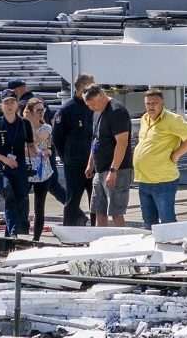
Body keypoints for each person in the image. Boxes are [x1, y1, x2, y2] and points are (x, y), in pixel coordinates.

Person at [132, 89, 187, 228]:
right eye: (148, 103)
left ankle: (173, 247)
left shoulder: (172, 119)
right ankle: (152, 248)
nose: (151, 106)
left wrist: (176, 154)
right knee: (148, 223)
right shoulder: (145, 119)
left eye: (154, 103)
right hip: (143, 180)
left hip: (163, 181)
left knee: (167, 223)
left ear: (162, 103)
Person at [0, 89, 36, 237]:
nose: (9, 105)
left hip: (20, 167)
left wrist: (44, 151)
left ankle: (11, 235)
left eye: (12, 102)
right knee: (9, 195)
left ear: (17, 104)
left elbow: (31, 146)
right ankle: (13, 233)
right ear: (1, 105)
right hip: (4, 167)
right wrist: (3, 159)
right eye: (6, 103)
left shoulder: (24, 124)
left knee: (20, 200)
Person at [9, 77, 68, 207]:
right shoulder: (41, 101)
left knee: (25, 189)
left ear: (15, 91)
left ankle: (19, 217)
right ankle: (73, 210)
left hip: (31, 152)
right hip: (46, 147)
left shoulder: (22, 105)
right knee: (52, 184)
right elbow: (48, 122)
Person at [83, 85, 134, 226]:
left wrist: (113, 171)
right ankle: (101, 241)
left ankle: (120, 243)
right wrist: (90, 162)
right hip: (100, 170)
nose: (91, 108)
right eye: (88, 105)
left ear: (101, 95)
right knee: (99, 210)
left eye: (93, 104)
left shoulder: (117, 111)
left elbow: (122, 143)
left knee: (116, 212)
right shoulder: (97, 111)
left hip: (117, 169)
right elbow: (96, 139)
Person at [52, 73, 96, 227]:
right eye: (89, 88)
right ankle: (69, 232)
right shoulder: (66, 110)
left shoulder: (95, 107)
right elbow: (57, 137)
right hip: (75, 164)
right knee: (72, 200)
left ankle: (95, 232)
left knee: (96, 201)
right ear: (79, 89)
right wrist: (66, 158)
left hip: (94, 162)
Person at [23, 97, 56, 241]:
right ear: (29, 111)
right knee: (22, 203)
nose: (41, 113)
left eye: (43, 110)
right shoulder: (22, 126)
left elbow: (34, 142)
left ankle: (36, 238)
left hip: (42, 171)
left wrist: (47, 151)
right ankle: (20, 232)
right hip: (26, 168)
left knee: (39, 206)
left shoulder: (46, 128)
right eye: (37, 110)